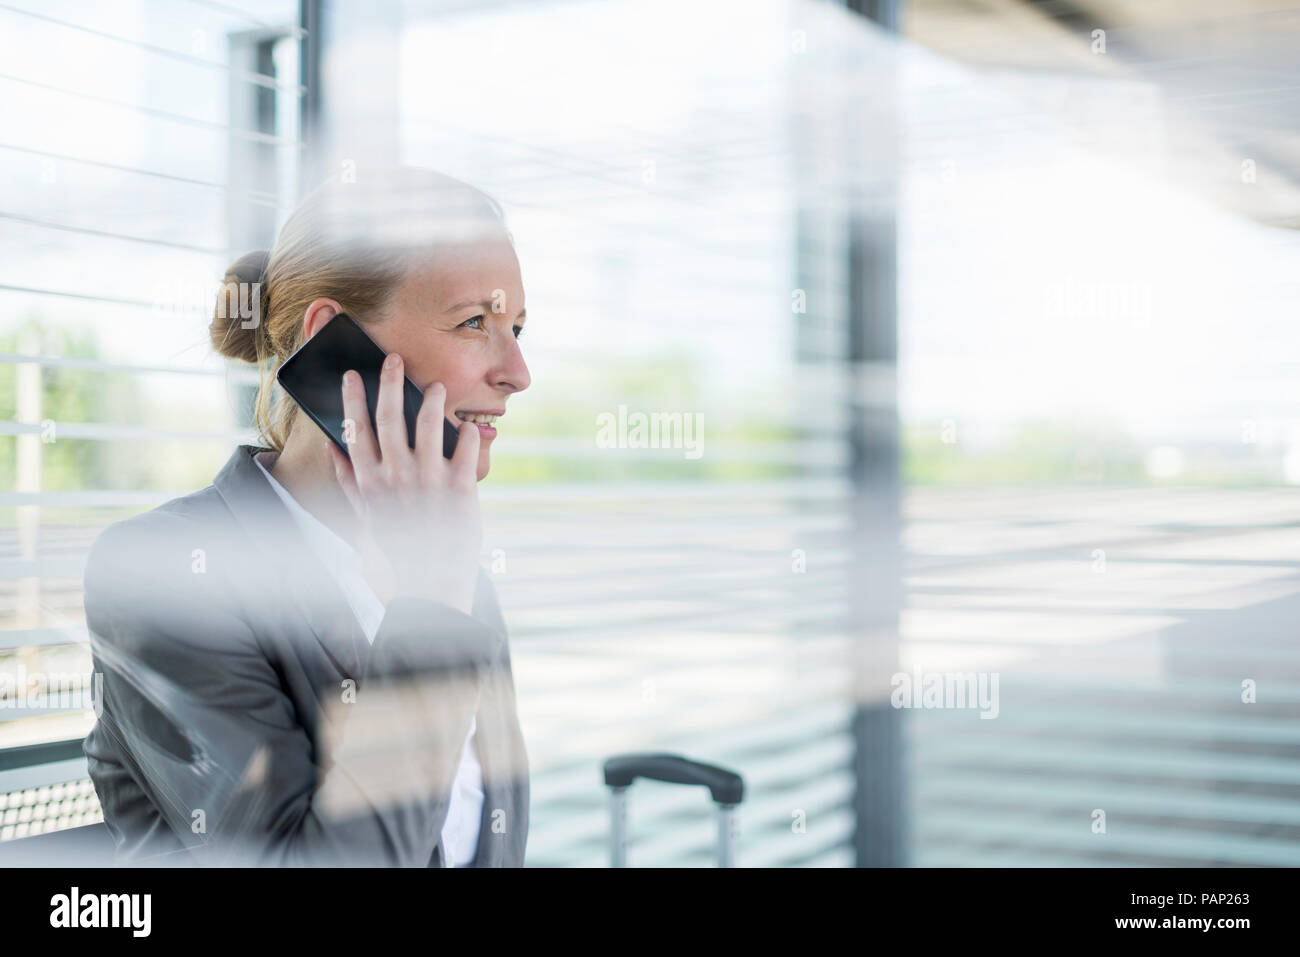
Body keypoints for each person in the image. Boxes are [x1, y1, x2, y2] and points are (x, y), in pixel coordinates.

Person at [81, 167, 531, 866]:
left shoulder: (460, 576)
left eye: (517, 328)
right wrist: (430, 610)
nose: (517, 371)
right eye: (476, 322)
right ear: (334, 343)